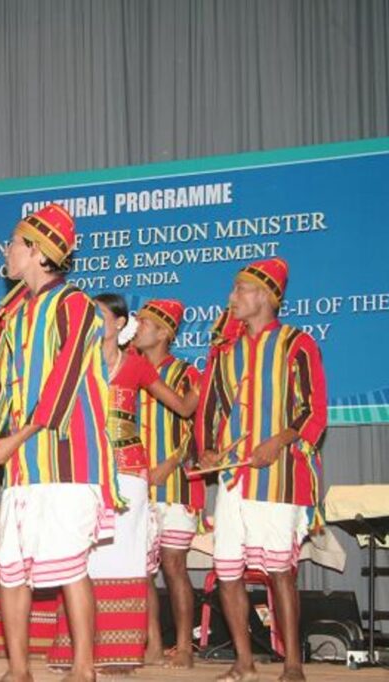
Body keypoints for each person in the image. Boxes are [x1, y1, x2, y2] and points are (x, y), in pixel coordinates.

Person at [0, 205, 116, 682]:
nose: (5, 251)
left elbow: (64, 384)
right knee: (10, 566)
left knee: (69, 566)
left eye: (12, 243)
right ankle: (18, 670)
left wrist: (15, 438)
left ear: (37, 252)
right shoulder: (13, 314)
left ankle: (84, 668)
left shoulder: (75, 305)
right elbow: (0, 386)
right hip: (24, 465)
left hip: (69, 460)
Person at [47, 293, 197, 674]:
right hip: (88, 471)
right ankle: (82, 650)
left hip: (130, 472)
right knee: (84, 558)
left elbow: (182, 408)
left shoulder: (136, 367)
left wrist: (210, 374)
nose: (93, 323)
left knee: (126, 557)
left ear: (118, 324)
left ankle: (122, 651)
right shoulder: (76, 365)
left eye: (100, 317)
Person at [196, 257, 326, 682]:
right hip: (234, 479)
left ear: (268, 295)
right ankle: (244, 663)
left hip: (279, 476)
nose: (231, 298)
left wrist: (280, 440)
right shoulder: (225, 352)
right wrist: (211, 450)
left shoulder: (297, 343)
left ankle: (292, 665)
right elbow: (212, 409)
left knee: (280, 572)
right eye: (233, 290)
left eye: (240, 289)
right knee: (228, 570)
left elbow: (314, 411)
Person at [132, 299, 203, 668]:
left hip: (175, 486)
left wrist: (170, 462)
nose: (136, 326)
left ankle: (185, 647)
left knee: (174, 565)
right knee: (142, 568)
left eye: (143, 322)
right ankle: (153, 644)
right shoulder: (128, 369)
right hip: (135, 486)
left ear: (164, 332)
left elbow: (197, 426)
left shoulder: (186, 373)